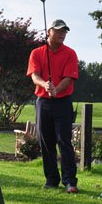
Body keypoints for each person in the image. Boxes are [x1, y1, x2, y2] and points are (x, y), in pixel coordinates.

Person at [27, 19, 79, 193]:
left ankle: (70, 181)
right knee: (45, 141)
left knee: (64, 141)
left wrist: (56, 89)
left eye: (64, 31)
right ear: (49, 31)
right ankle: (51, 179)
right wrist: (45, 85)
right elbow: (35, 75)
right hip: (43, 102)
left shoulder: (70, 53)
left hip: (63, 101)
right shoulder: (37, 53)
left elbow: (69, 77)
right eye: (58, 31)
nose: (62, 34)